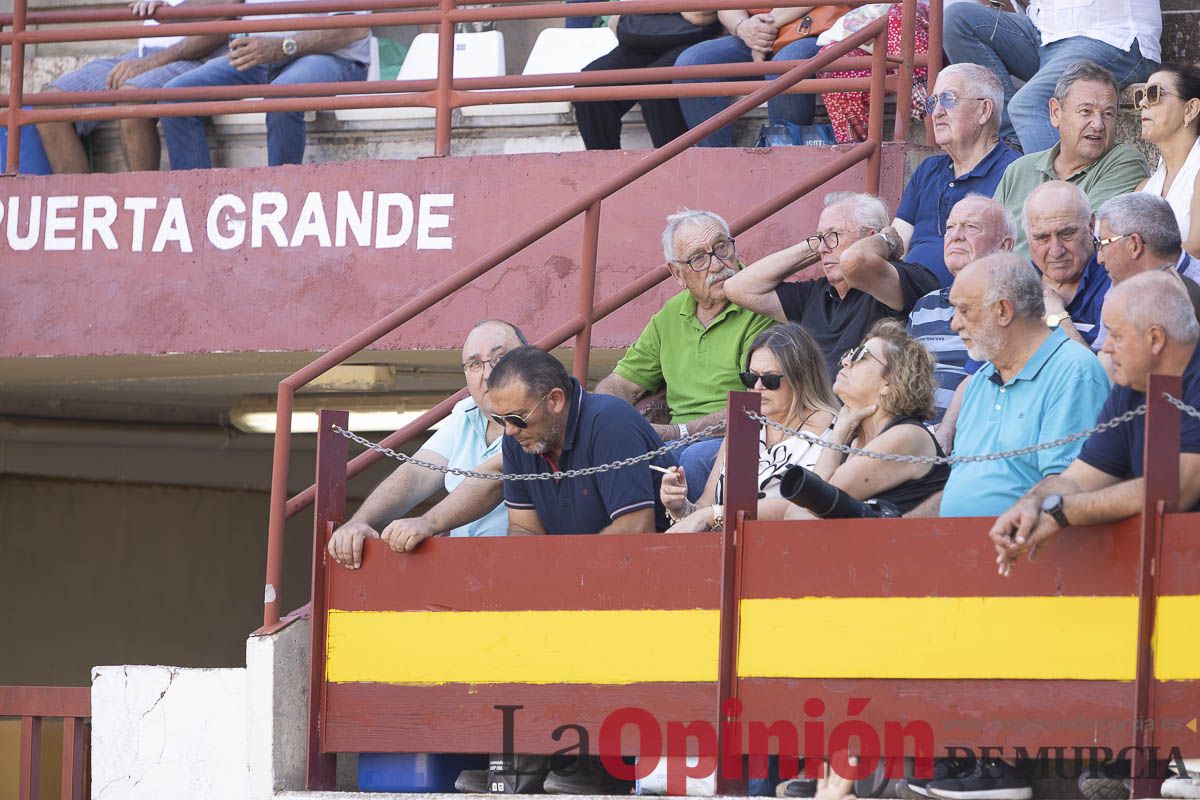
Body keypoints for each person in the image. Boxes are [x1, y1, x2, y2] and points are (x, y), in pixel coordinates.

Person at [989, 271, 1200, 578]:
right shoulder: (1133, 386)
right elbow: (1079, 479)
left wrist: (1063, 511)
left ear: (1155, 339)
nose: (1106, 348)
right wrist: (1033, 503)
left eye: (1115, 335)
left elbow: (1175, 488)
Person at [595, 209, 775, 502]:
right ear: (677, 274)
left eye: (722, 247)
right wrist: (614, 421)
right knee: (610, 460)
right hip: (677, 445)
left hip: (739, 439)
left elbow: (759, 403)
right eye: (698, 258)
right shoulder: (671, 314)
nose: (716, 264)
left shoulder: (761, 303)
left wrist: (678, 432)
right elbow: (619, 383)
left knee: (689, 460)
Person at [325, 319, 527, 568]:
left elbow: (494, 480)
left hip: (522, 569)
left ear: (527, 360)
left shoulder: (538, 417)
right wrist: (362, 521)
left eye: (500, 358)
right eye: (475, 364)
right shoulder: (465, 413)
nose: (487, 375)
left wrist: (427, 523)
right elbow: (416, 474)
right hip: (465, 571)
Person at [935, 254, 1110, 518]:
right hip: (953, 540)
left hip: (1019, 540)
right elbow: (963, 485)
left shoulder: (1074, 370)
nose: (954, 324)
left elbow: (1068, 486)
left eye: (964, 310)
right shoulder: (981, 379)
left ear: (1004, 311)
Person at [725, 191, 940, 380]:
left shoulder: (905, 278)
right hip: (811, 412)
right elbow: (737, 287)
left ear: (870, 238)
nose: (821, 248)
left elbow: (854, 261)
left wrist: (888, 239)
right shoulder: (816, 294)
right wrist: (818, 244)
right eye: (820, 237)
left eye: (834, 235)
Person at [658, 322, 838, 531]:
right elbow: (705, 508)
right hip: (730, 547)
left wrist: (714, 514)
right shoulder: (744, 425)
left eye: (770, 380)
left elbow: (811, 507)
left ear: (801, 378)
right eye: (751, 377)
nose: (758, 387)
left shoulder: (832, 430)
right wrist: (679, 507)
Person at [159, 0, 371, 168]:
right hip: (261, 52)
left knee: (281, 96)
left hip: (329, 55)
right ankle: (197, 202)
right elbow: (224, 2)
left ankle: (280, 197)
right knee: (174, 97)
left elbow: (352, 28)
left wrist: (283, 47)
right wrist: (167, 10)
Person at [489, 346, 677, 535]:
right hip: (583, 553)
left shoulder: (610, 422)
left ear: (555, 400)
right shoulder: (518, 438)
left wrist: (569, 556)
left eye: (517, 418)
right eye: (500, 419)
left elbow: (636, 528)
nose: (509, 430)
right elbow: (524, 529)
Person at [783, 319, 949, 519]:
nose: (846, 361)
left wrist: (838, 433)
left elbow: (812, 505)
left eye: (860, 355)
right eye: (850, 353)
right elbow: (795, 513)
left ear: (889, 382)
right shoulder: (854, 442)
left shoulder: (907, 436)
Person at [942, 0, 1159, 152]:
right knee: (958, 19)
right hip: (1044, 34)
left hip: (1110, 36)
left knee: (1028, 103)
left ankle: (1055, 199)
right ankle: (1013, 143)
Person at [36, 0, 225, 173]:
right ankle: (78, 197)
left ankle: (142, 195)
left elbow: (223, 23)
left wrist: (152, 61)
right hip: (141, 51)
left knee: (131, 98)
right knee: (49, 104)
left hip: (193, 57)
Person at [993, 60, 1151, 256]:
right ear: (1055, 113)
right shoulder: (1019, 169)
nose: (1098, 124)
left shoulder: (1124, 163)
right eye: (1086, 112)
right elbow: (989, 239)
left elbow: (1082, 241)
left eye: (1108, 114)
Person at [892, 64, 1019, 286]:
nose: (937, 112)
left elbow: (1015, 258)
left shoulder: (1015, 170)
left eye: (949, 99)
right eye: (933, 102)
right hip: (909, 297)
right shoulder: (927, 170)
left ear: (984, 111)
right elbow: (896, 244)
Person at [672, 3, 848, 148]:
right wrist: (742, 27)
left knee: (785, 65)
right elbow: (726, 6)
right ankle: (719, 164)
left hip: (814, 30)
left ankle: (784, 157)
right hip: (757, 31)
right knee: (691, 64)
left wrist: (763, 28)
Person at [906, 194, 1016, 420]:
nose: (955, 236)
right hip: (909, 426)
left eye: (971, 227)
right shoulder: (925, 305)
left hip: (971, 430)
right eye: (950, 227)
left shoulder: (1014, 307)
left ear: (1004, 246)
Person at [572, 8, 722, 150]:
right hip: (644, 35)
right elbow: (619, 17)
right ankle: (605, 165)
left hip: (694, 37)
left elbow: (698, 16)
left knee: (656, 84)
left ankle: (673, 165)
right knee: (589, 85)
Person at [815, 0, 928, 144]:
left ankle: (926, 101)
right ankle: (856, 146)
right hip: (879, 36)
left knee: (902, 10)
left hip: (926, 20)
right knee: (834, 60)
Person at [1094, 193, 1200, 336]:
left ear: (1134, 244)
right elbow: (1103, 348)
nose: (1099, 259)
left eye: (1103, 244)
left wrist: (1063, 317)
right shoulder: (1120, 284)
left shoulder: (1196, 291)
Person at [1024, 180, 1111, 349]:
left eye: (1067, 233)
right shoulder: (1015, 282)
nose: (1056, 251)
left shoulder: (1116, 280)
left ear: (1091, 225)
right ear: (1027, 237)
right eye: (1042, 238)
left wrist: (1058, 318)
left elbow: (1095, 368)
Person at [1135, 64, 1200, 257]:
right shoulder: (1144, 188)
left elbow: (1196, 248)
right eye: (1141, 95)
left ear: (1190, 109)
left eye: (1154, 94)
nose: (1142, 103)